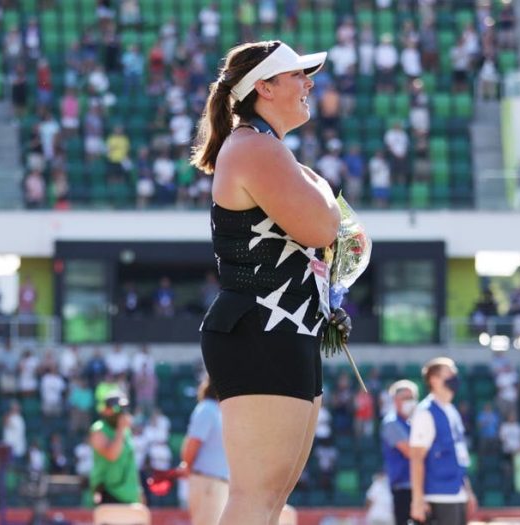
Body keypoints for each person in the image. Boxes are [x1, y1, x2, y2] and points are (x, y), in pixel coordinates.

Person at [191, 40, 346, 525]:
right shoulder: (255, 147)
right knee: (256, 498)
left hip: (283, 327)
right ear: (264, 87)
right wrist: (322, 189)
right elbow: (323, 228)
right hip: (263, 327)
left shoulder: (264, 147)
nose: (308, 84)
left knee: (269, 500)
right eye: (297, 74)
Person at [409, 357, 477, 525]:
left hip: (457, 492)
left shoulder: (452, 411)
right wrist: (417, 500)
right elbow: (416, 458)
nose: (454, 377)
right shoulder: (425, 412)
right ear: (434, 380)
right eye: (449, 373)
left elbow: (459, 454)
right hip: (437, 495)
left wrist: (467, 490)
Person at [178, 377, 230, 525]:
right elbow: (192, 444)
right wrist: (187, 466)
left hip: (216, 483)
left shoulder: (217, 411)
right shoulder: (207, 409)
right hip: (207, 483)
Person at [88, 390, 143, 505]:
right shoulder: (98, 429)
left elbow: (130, 462)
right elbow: (112, 455)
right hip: (109, 492)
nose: (120, 412)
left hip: (130, 495)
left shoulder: (126, 431)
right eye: (116, 408)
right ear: (106, 410)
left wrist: (139, 493)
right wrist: (120, 429)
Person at [381, 379, 419, 525]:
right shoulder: (392, 423)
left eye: (412, 398)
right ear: (395, 400)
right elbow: (410, 452)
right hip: (403, 486)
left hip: (419, 485)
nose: (410, 402)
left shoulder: (414, 422)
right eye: (405, 398)